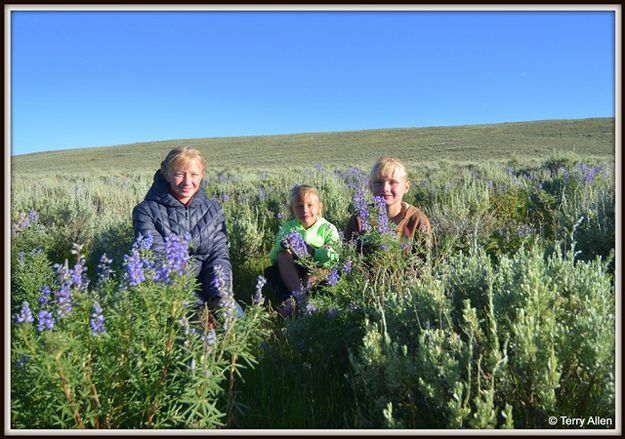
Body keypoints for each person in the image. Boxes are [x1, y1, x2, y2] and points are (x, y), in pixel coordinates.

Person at [132, 146, 234, 311]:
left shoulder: (214, 210)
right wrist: (196, 307)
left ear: (202, 174)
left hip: (210, 289)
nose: (187, 182)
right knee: (199, 334)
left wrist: (219, 297)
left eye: (194, 174)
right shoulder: (146, 211)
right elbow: (159, 263)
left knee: (235, 322)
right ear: (166, 174)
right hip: (171, 295)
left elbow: (218, 257)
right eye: (179, 174)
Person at [264, 184, 340, 306]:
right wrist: (283, 246)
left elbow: (334, 257)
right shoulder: (287, 227)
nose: (305, 210)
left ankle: (312, 301)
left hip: (319, 268)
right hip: (294, 269)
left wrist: (312, 252)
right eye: (299, 206)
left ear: (320, 207)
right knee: (281, 257)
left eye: (310, 205)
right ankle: (299, 298)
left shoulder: (328, 228)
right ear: (292, 210)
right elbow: (273, 258)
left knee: (329, 270)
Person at [345, 156, 432, 253]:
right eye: (378, 182)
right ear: (370, 186)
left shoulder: (417, 220)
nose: (385, 188)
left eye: (393, 182)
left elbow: (424, 263)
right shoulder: (359, 219)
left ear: (406, 187)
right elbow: (349, 255)